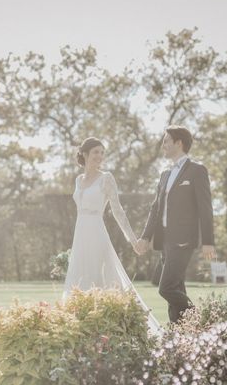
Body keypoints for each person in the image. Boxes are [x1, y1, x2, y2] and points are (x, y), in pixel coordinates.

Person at [63, 137, 162, 336]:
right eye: (95, 152)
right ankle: (80, 330)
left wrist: (133, 240)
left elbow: (118, 211)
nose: (99, 156)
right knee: (78, 279)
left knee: (99, 279)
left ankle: (112, 330)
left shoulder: (106, 178)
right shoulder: (78, 180)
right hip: (80, 233)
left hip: (96, 232)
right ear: (84, 154)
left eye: (102, 152)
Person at [135, 126, 215, 323]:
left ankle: (202, 320)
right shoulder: (164, 175)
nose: (163, 146)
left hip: (183, 240)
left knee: (167, 288)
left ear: (178, 143)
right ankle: (180, 335)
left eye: (166, 141)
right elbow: (155, 209)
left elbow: (205, 208)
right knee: (176, 288)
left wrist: (208, 241)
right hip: (165, 241)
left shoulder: (197, 170)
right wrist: (145, 237)